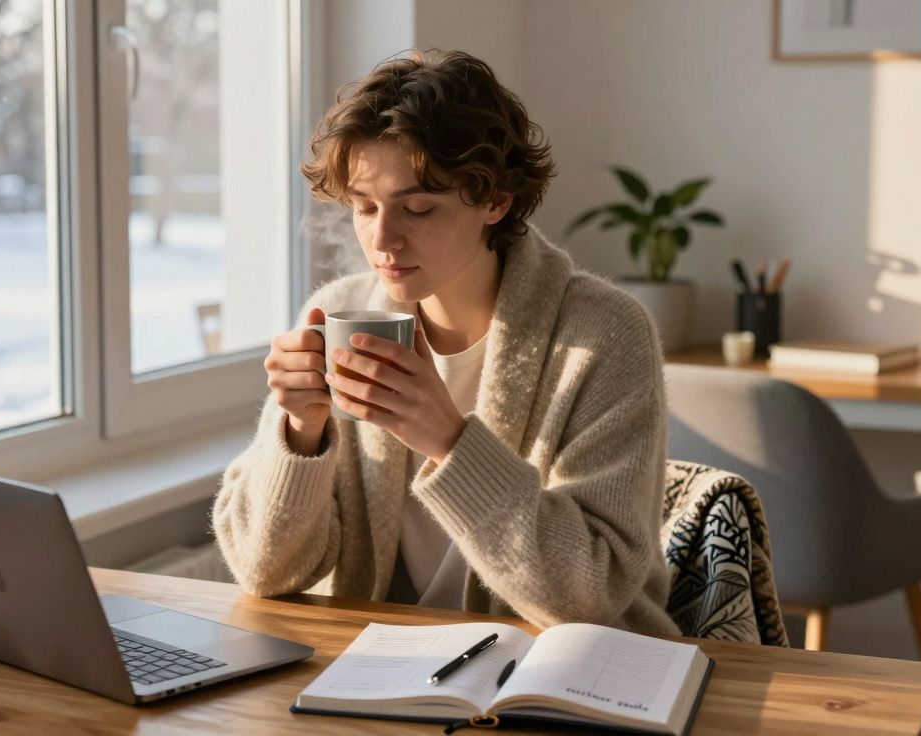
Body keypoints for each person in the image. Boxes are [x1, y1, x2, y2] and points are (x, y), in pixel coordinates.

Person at [212, 50, 678, 635]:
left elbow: (589, 595)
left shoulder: (604, 334)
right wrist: (300, 435)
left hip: (559, 678)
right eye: (364, 207)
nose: (383, 239)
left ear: (495, 201)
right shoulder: (337, 314)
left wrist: (449, 441)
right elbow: (265, 573)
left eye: (418, 208)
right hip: (382, 671)